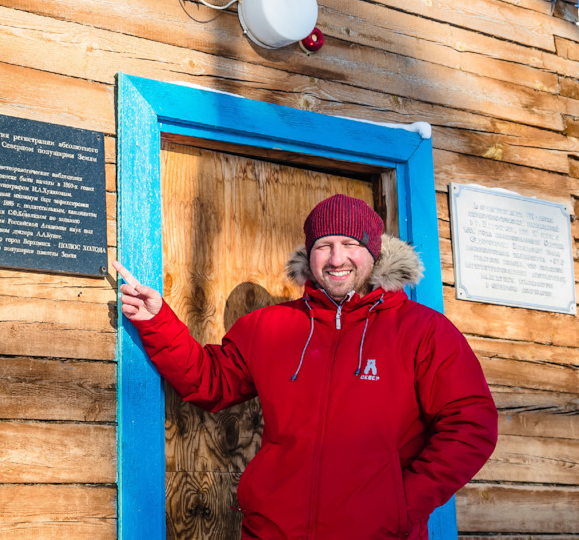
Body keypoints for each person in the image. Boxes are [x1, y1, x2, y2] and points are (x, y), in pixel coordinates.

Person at [113, 194, 497, 539]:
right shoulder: (269, 326)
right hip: (274, 530)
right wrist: (157, 320)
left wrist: (403, 504)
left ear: (373, 253)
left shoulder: (422, 331)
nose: (336, 258)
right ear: (309, 255)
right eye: (324, 246)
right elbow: (209, 380)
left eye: (350, 244)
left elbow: (472, 425)